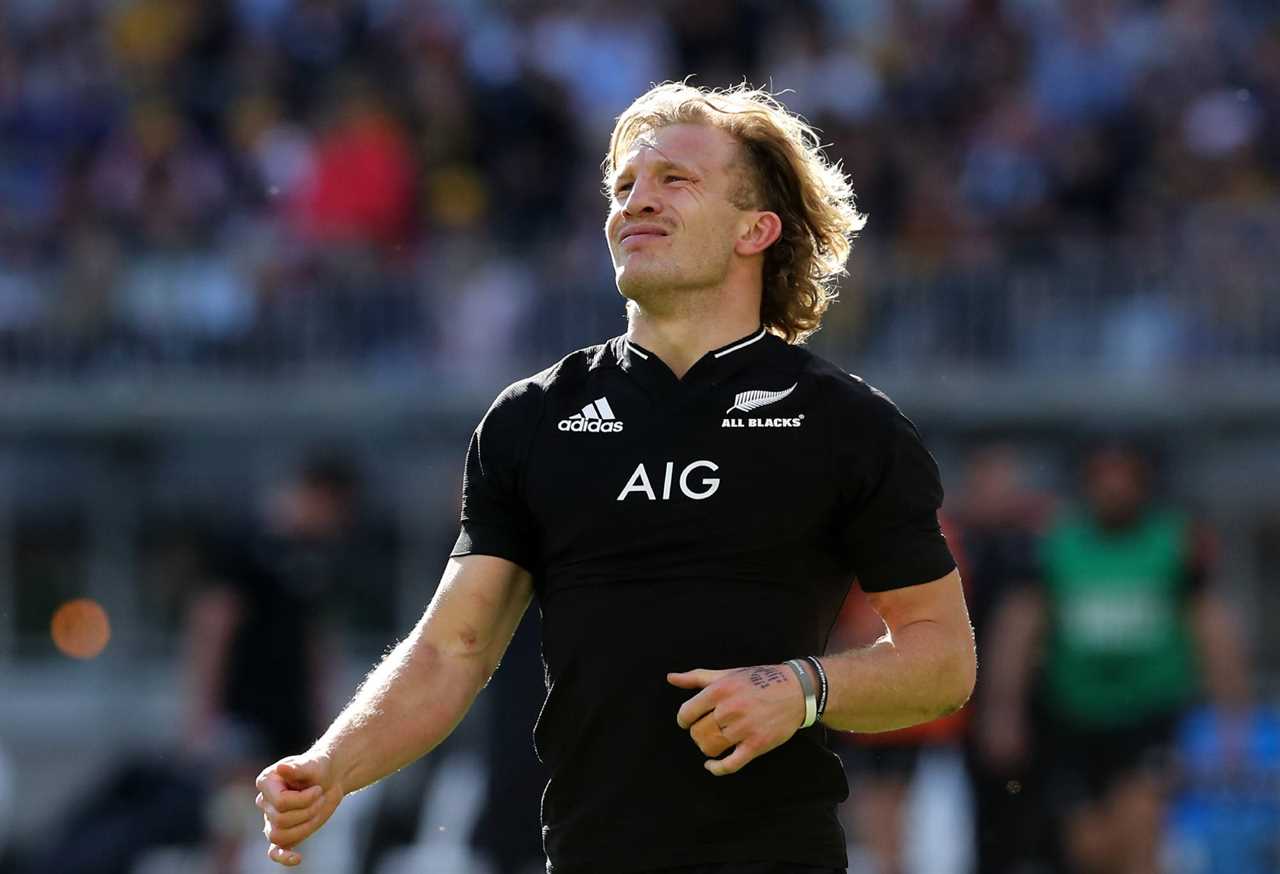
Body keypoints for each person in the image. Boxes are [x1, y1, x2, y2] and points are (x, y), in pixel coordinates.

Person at [254, 82, 976, 874]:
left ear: (756, 229)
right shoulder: (531, 419)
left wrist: (801, 688)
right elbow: (450, 651)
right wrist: (332, 765)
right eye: (624, 186)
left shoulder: (846, 424)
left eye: (674, 181)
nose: (637, 202)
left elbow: (943, 660)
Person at [979, 443, 1250, 874]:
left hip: (1149, 714)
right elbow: (1019, 628)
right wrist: (1002, 709)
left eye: (1124, 476)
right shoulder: (1057, 542)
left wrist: (1232, 717)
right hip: (1073, 718)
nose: (1114, 488)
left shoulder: (1173, 541)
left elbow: (1212, 626)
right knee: (1090, 849)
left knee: (1141, 831)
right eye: (1104, 476)